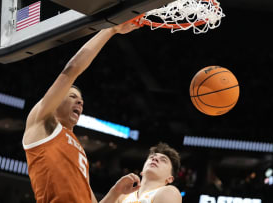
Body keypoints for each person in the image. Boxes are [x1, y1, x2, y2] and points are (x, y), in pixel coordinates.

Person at [22, 22, 141, 203]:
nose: (80, 101)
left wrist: (115, 193)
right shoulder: (41, 122)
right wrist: (111, 29)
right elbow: (72, 70)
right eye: (71, 96)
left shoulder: (78, 150)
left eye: (80, 99)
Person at [117, 142, 182, 203]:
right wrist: (115, 190)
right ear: (142, 172)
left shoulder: (170, 192)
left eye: (163, 160)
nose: (154, 159)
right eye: (151, 157)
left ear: (170, 178)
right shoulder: (123, 195)